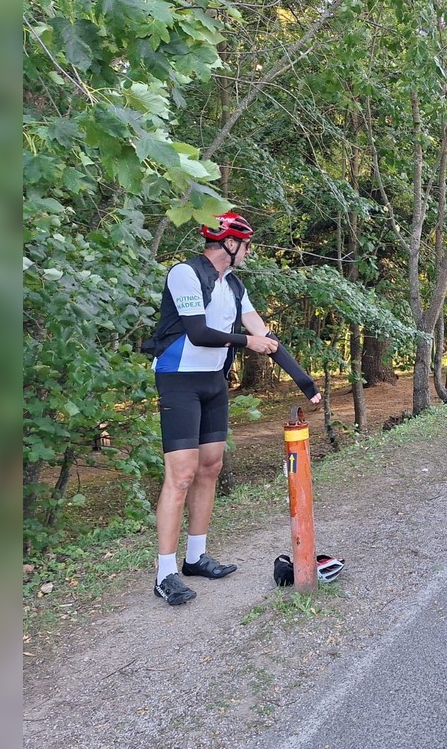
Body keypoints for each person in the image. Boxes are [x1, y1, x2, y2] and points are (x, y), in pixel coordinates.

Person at [148, 212, 321, 605]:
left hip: (213, 382)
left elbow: (265, 336)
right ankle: (165, 573)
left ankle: (195, 557)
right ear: (230, 244)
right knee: (180, 476)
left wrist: (306, 383)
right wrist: (246, 342)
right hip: (179, 380)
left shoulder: (235, 285)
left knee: (210, 467)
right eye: (246, 245)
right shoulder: (185, 274)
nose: (248, 251)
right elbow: (197, 331)